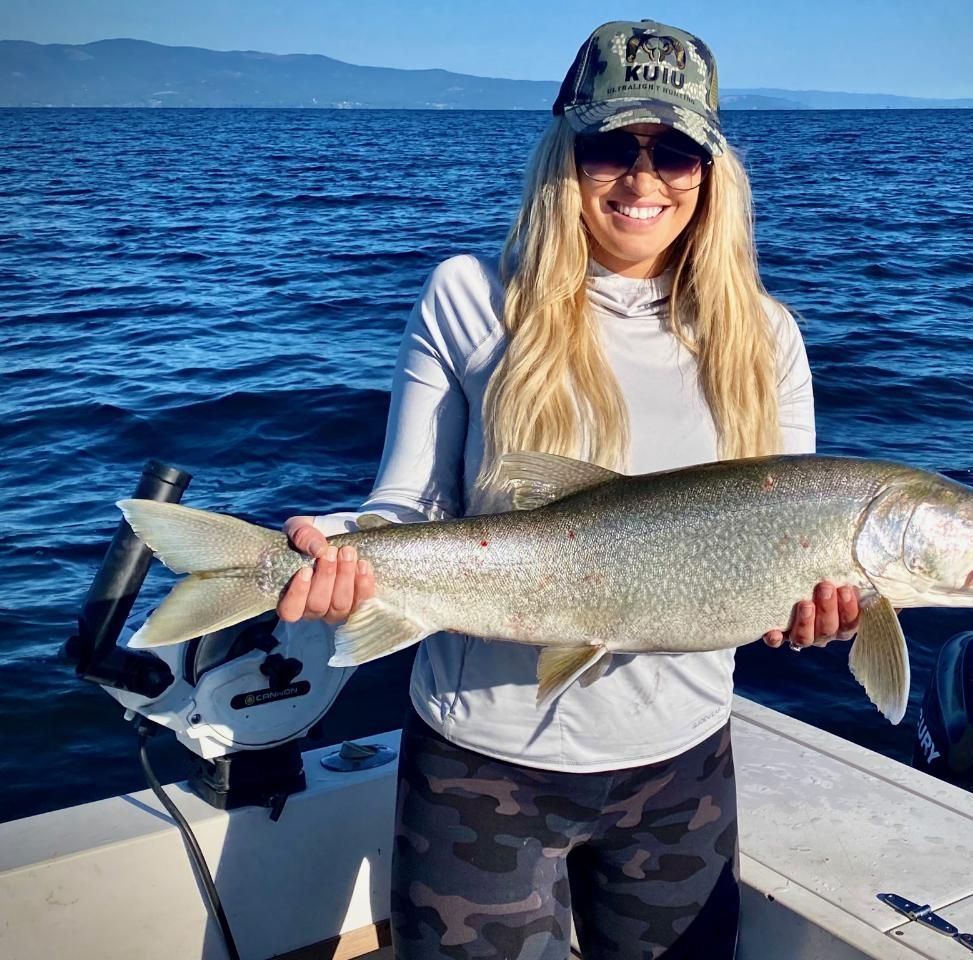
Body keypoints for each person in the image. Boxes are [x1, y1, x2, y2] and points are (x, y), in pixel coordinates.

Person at [276, 19, 858, 960]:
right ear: (563, 153)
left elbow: (786, 541)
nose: (642, 179)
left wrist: (815, 613)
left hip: (682, 767)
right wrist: (342, 550)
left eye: (673, 149)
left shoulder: (767, 335)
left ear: (711, 169)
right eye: (609, 147)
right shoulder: (468, 295)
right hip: (482, 766)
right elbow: (406, 510)